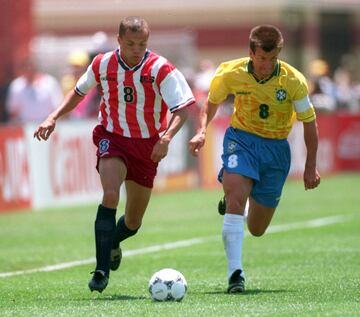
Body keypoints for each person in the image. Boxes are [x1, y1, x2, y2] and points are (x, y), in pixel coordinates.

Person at [34, 16, 195, 293]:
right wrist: (53, 117)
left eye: (142, 43)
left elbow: (182, 108)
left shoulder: (160, 68)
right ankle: (100, 270)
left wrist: (166, 138)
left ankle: (115, 242)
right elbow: (78, 91)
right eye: (131, 43)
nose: (137, 49)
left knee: (133, 222)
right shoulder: (102, 64)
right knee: (110, 194)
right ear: (119, 40)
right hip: (113, 137)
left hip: (147, 146)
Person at [189, 25, 320, 293]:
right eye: (261, 59)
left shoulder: (293, 80)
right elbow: (212, 102)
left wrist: (310, 167)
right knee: (236, 196)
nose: (266, 66)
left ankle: (242, 204)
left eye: (272, 60)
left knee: (257, 228)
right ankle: (235, 274)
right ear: (251, 53)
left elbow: (309, 123)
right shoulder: (230, 73)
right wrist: (202, 130)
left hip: (276, 149)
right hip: (242, 140)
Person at [6, 58, 63, 124]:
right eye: (26, 68)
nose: (29, 70)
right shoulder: (17, 85)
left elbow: (58, 106)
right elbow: (13, 111)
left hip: (46, 125)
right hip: (24, 126)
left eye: (31, 68)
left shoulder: (50, 82)